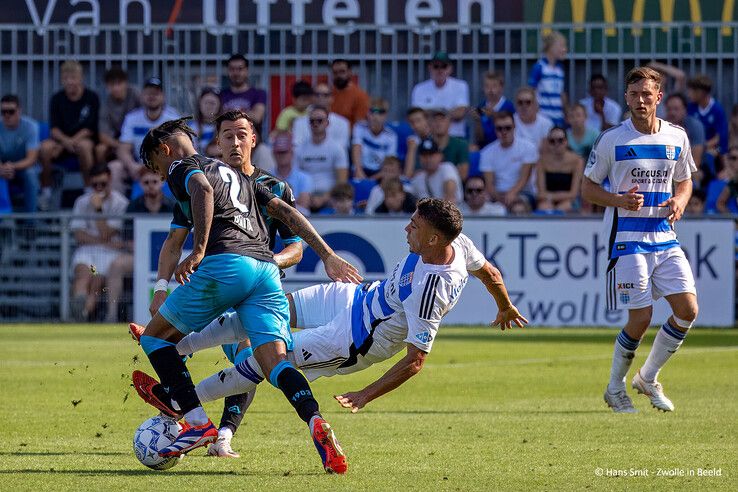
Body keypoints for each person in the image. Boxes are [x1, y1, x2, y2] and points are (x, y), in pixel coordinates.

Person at [131, 199, 527, 434]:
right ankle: (174, 344)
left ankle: (180, 400)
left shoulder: (430, 289)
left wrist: (366, 394)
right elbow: (489, 273)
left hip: (355, 340)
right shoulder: (458, 243)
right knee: (271, 311)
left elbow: (415, 361)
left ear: (434, 239)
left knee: (267, 358)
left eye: (415, 225)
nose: (407, 227)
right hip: (355, 298)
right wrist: (505, 305)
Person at [133, 116, 360, 472]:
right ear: (220, 141)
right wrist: (328, 254)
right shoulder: (237, 175)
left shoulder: (183, 167)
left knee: (153, 340)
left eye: (156, 167)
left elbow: (203, 192)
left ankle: (197, 422)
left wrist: (200, 248)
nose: (161, 175)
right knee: (274, 363)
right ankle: (315, 420)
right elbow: (284, 212)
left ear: (164, 151)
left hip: (228, 264)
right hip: (266, 273)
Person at [581, 66, 698, 414]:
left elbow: (685, 181)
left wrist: (679, 200)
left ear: (658, 97)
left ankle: (648, 377)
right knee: (641, 317)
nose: (640, 101)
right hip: (626, 238)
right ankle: (615, 388)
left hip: (664, 235)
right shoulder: (611, 139)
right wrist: (619, 200)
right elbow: (587, 188)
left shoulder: (677, 136)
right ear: (627, 98)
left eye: (647, 94)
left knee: (688, 310)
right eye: (634, 94)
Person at [69, 163, 129, 321]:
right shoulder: (81, 202)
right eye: (95, 184)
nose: (99, 187)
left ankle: (83, 313)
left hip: (108, 254)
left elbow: (107, 232)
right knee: (83, 274)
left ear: (110, 180)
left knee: (96, 280)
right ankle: (79, 304)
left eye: (102, 184)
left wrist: (98, 210)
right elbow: (79, 235)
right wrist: (102, 241)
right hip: (87, 251)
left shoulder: (121, 203)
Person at [39, 61, 100, 206]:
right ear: (62, 79)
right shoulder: (56, 99)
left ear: (81, 78)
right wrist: (65, 143)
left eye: (73, 77)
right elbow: (54, 129)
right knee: (45, 148)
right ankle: (45, 191)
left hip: (83, 140)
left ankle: (89, 190)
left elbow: (89, 128)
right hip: (61, 142)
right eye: (66, 78)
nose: (70, 82)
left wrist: (70, 142)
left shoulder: (91, 97)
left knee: (84, 147)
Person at [113, 77, 179, 194]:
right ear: (142, 96)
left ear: (163, 96)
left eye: (156, 93)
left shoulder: (173, 119)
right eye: (148, 93)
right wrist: (132, 166)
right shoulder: (132, 118)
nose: (152, 96)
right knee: (115, 167)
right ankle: (119, 208)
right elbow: (123, 149)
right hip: (139, 167)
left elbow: (180, 150)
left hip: (166, 167)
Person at [293, 105, 349, 211]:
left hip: (331, 198)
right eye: (312, 121)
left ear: (327, 123)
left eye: (319, 120)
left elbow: (342, 182)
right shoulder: (299, 150)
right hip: (305, 198)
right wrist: (305, 197)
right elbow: (295, 177)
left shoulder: (337, 149)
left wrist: (324, 198)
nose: (315, 124)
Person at [479, 111, 538, 208]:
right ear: (495, 130)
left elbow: (524, 179)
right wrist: (499, 199)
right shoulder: (487, 152)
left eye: (508, 128)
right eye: (499, 128)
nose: (504, 132)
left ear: (514, 127)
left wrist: (511, 194)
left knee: (518, 207)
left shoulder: (528, 147)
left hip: (523, 192)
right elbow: (489, 184)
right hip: (497, 193)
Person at [411, 51, 470, 138]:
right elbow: (417, 116)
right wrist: (447, 112)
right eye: (436, 66)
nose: (440, 70)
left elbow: (460, 113)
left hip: (454, 136)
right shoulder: (419, 89)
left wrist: (431, 113)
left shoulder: (461, 86)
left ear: (450, 69)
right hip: (427, 136)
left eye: (444, 66)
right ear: (430, 68)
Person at [0, 94, 40, 212]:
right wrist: (2, 168)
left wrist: (11, 167)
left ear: (19, 111)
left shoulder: (31, 126)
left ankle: (31, 223)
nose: (6, 115)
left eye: (11, 111)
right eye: (3, 112)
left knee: (31, 175)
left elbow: (31, 159)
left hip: (23, 168)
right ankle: (3, 220)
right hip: (2, 168)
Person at [96, 66, 140, 165]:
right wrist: (120, 145)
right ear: (107, 86)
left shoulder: (136, 94)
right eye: (112, 84)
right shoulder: (106, 104)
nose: (116, 88)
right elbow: (103, 135)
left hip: (137, 136)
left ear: (126, 83)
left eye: (119, 83)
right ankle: (102, 177)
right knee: (100, 149)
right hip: (117, 141)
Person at [536, 126, 584, 212]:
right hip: (548, 201)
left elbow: (574, 193)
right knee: (544, 207)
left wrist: (551, 197)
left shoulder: (577, 161)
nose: (556, 144)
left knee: (564, 207)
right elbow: (541, 193)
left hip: (570, 201)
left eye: (560, 140)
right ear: (548, 143)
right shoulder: (542, 161)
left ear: (566, 141)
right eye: (552, 141)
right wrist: (551, 199)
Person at [292, 82, 350, 150]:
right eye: (317, 95)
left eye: (325, 95)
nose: (321, 98)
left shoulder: (343, 123)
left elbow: (341, 149)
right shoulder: (299, 123)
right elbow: (297, 148)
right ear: (312, 98)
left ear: (332, 98)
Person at [350, 97, 398, 179]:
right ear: (367, 114)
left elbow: (389, 163)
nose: (375, 116)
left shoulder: (391, 136)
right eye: (372, 111)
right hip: (360, 169)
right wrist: (358, 170)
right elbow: (356, 149)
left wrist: (371, 180)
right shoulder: (359, 127)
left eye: (380, 112)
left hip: (380, 173)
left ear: (386, 115)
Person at [528, 31, 568, 127]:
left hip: (558, 117)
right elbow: (531, 91)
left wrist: (566, 112)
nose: (565, 49)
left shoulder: (560, 69)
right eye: (561, 46)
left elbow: (561, 93)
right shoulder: (539, 67)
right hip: (543, 116)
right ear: (551, 47)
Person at [664, 93, 705, 183]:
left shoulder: (695, 126)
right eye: (669, 109)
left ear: (684, 110)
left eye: (676, 109)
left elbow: (695, 161)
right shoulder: (661, 127)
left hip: (688, 169)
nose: (672, 113)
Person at [219, 54, 267, 131]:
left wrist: (229, 112)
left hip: (253, 140)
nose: (236, 73)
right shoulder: (221, 95)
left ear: (247, 70)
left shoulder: (258, 94)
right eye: (232, 69)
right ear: (228, 71)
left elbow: (257, 117)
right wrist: (244, 112)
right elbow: (214, 117)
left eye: (240, 69)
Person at [470, 71, 516, 150]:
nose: (490, 90)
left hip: (505, 147)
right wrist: (478, 121)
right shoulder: (481, 106)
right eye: (487, 86)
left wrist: (494, 115)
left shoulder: (509, 106)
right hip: (485, 148)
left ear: (501, 88)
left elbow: (512, 133)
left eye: (494, 86)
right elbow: (479, 139)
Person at [686, 74, 729, 156]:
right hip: (692, 146)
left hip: (711, 148)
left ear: (701, 92)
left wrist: (702, 146)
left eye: (691, 91)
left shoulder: (717, 110)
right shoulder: (691, 107)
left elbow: (719, 137)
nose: (689, 95)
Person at [271, 131, 313, 215]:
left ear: (292, 153)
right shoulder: (266, 176)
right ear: (274, 154)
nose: (282, 156)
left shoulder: (304, 178)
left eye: (285, 152)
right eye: (279, 152)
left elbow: (304, 205)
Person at [410, 138, 462, 204]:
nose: (428, 159)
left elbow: (450, 199)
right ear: (420, 158)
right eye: (424, 155)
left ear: (440, 155)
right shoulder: (418, 178)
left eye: (431, 155)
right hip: (429, 213)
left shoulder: (447, 168)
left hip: (453, 213)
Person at [429, 107, 469, 180]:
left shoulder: (460, 144)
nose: (438, 123)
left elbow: (463, 175)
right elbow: (417, 173)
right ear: (430, 124)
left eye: (442, 119)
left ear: (449, 123)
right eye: (435, 120)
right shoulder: (425, 144)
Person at [330, 59, 370, 128]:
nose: (338, 75)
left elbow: (360, 125)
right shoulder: (328, 94)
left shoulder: (360, 96)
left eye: (342, 72)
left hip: (350, 137)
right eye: (335, 73)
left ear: (350, 72)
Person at [190, 87, 221, 157]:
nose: (209, 106)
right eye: (206, 103)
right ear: (199, 104)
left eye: (212, 103)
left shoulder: (224, 126)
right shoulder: (191, 127)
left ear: (219, 105)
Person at [403, 107, 433, 177]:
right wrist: (411, 149)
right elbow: (407, 174)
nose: (416, 125)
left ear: (427, 120)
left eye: (418, 120)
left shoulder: (436, 138)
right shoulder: (412, 141)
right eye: (412, 122)